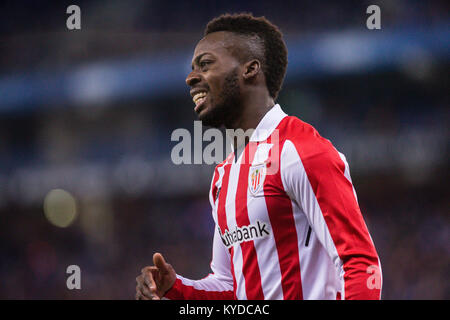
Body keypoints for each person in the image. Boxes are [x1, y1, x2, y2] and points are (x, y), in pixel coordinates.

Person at [136, 13, 382, 300]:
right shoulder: (223, 177)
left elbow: (359, 263)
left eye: (205, 64)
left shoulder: (301, 151)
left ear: (250, 70)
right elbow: (230, 285)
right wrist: (174, 288)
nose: (191, 78)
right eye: (193, 68)